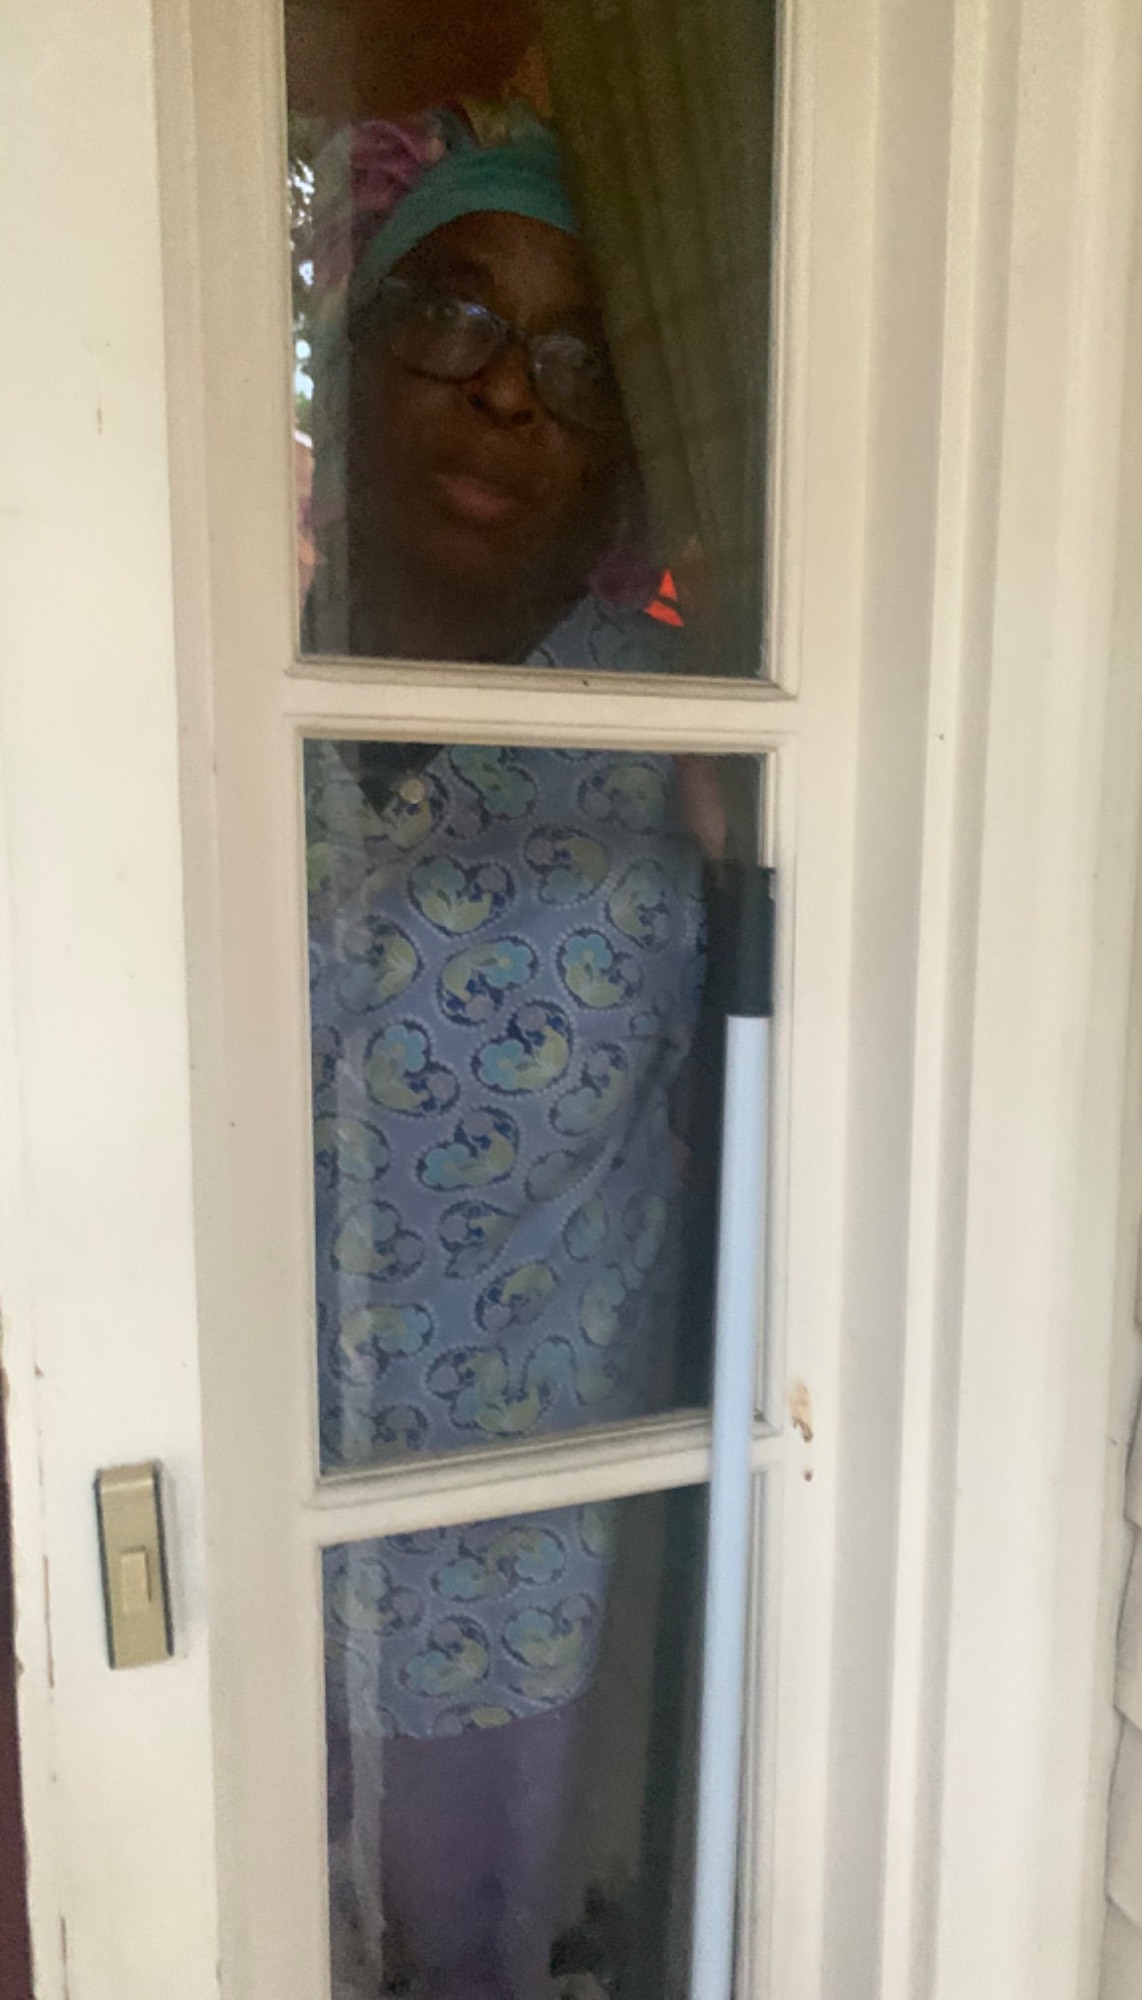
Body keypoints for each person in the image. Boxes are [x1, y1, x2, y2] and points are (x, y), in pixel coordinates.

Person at [302, 99, 717, 1997]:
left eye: (571, 357)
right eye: (453, 314)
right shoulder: (197, 672)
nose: (501, 391)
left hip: (515, 1573)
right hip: (207, 1515)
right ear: (352, 344)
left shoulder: (701, 739)